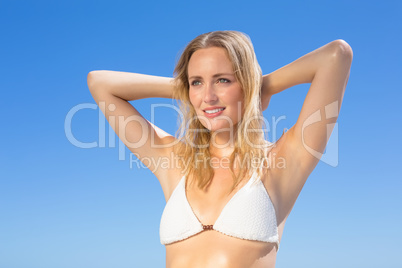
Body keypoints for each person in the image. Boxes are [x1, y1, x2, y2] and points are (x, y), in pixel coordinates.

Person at [87, 31, 352, 268]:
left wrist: (262, 86)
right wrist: (185, 88)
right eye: (197, 82)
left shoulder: (283, 160)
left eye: (223, 80)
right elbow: (100, 83)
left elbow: (335, 56)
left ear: (247, 83)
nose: (208, 97)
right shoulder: (174, 161)